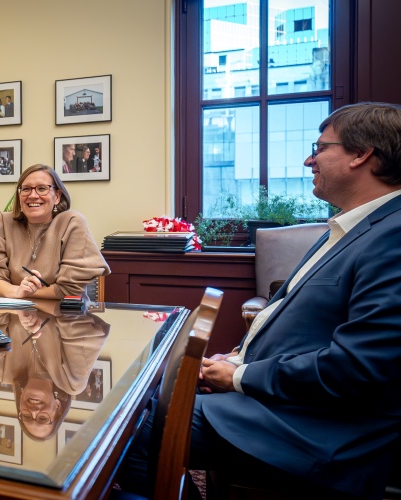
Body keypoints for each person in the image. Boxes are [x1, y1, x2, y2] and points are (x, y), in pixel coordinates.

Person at [121, 103, 401, 499]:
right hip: (289, 406)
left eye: (320, 148)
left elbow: (361, 368)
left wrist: (239, 377)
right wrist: (238, 360)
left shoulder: (392, 235)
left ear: (361, 154)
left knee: (133, 429)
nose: (309, 159)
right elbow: (309, 327)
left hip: (316, 433)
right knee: (145, 406)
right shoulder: (350, 226)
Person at [0, 303, 110, 440]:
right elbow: (73, 314)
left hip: (15, 284)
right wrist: (23, 303)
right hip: (59, 285)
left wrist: (19, 307)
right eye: (43, 418)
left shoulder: (4, 371)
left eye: (26, 416)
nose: (33, 412)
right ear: (58, 407)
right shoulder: (72, 382)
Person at [0, 164, 109, 299]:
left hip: (65, 316)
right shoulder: (4, 222)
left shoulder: (72, 222)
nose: (33, 195)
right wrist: (18, 292)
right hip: (13, 316)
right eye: (26, 189)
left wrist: (24, 292)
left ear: (57, 196)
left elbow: (70, 288)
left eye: (42, 189)